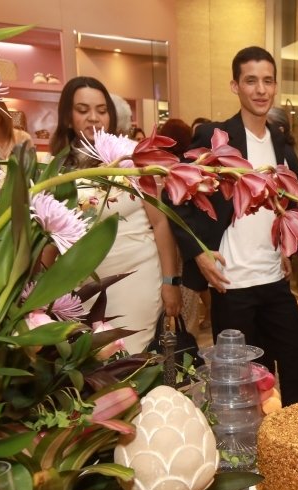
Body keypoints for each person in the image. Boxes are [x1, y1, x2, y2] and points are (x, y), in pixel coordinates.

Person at [170, 46, 298, 406]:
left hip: (274, 280)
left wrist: (285, 244)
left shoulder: (282, 142)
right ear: (235, 86)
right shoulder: (217, 138)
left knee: (293, 364)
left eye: (267, 81)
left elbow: (288, 202)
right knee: (244, 383)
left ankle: (288, 445)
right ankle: (250, 452)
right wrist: (198, 252)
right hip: (233, 285)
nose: (261, 90)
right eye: (251, 81)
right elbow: (175, 197)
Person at [51, 76, 181, 353]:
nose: (94, 118)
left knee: (129, 356)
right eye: (83, 110)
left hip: (137, 278)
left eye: (101, 110)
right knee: (91, 361)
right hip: (81, 284)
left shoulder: (129, 159)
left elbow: (160, 223)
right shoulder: (57, 169)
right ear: (67, 116)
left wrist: (171, 282)